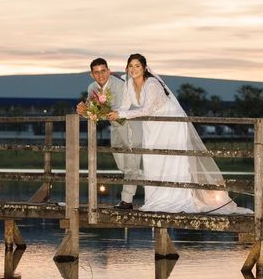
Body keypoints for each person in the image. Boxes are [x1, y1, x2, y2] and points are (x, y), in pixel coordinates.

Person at [108, 54, 252, 214]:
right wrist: (109, 112)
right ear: (126, 68)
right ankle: (157, 198)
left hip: (170, 121)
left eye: (137, 66)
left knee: (172, 159)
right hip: (152, 124)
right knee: (153, 159)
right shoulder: (128, 84)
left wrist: (121, 115)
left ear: (144, 68)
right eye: (131, 66)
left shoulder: (152, 83)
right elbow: (125, 107)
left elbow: (146, 109)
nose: (133, 69)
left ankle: (178, 198)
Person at [77, 58, 142, 209]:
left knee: (132, 166)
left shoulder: (119, 85)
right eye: (96, 72)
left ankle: (127, 201)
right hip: (116, 128)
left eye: (103, 71)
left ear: (109, 71)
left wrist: (91, 110)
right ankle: (154, 181)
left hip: (132, 126)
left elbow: (116, 110)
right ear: (92, 74)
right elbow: (92, 111)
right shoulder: (91, 87)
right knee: (123, 166)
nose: (100, 75)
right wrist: (83, 110)